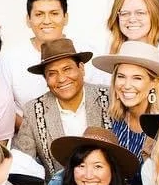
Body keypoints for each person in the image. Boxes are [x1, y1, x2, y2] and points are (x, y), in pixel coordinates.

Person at [11, 38, 112, 176]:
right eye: (52, 73)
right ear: (45, 79)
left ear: (81, 68)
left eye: (67, 69)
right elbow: (23, 162)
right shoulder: (33, 110)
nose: (61, 79)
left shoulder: (109, 97)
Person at [0, 0, 93, 106]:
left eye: (54, 13)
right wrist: (31, 124)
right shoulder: (10, 58)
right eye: (39, 14)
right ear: (28, 20)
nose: (47, 21)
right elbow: (4, 106)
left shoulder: (86, 51)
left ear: (65, 18)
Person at [90, 40, 159, 161]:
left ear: (154, 83)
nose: (127, 85)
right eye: (121, 76)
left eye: (137, 78)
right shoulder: (111, 117)